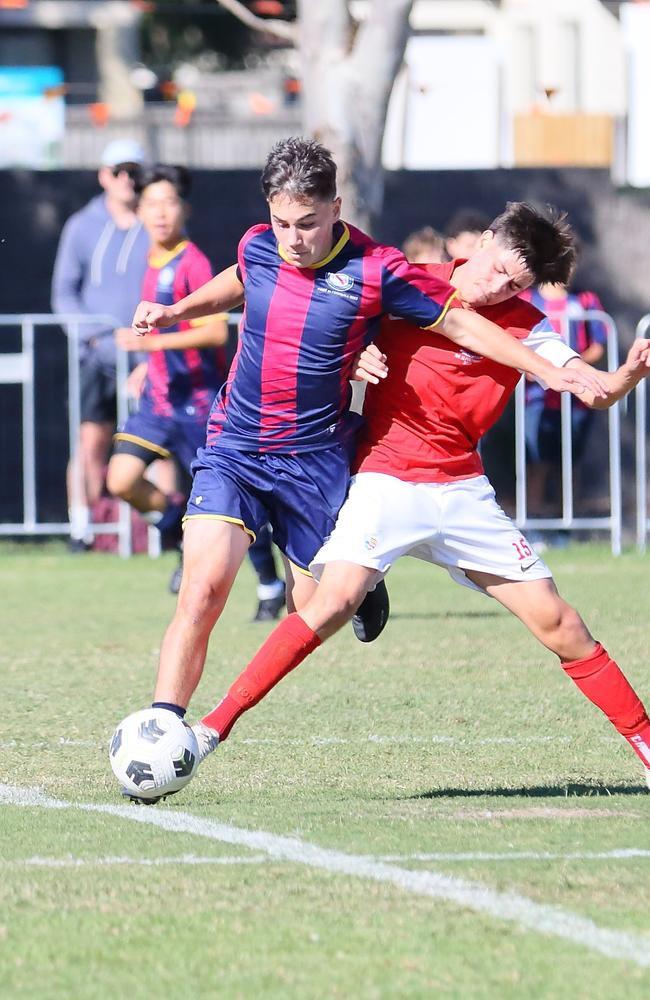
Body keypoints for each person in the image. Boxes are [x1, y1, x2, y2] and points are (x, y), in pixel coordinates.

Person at [126, 140, 601, 776]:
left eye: (307, 224)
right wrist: (176, 309)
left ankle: (364, 585)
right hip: (235, 446)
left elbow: (461, 324)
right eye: (281, 223)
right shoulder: (257, 244)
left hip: (316, 459)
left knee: (312, 605)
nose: (292, 239)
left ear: (336, 209)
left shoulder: (380, 269)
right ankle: (164, 728)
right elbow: (239, 282)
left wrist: (551, 369)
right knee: (204, 588)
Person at [190, 201, 650, 792]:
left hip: (461, 491)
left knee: (561, 624)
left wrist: (626, 377)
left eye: (515, 284)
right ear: (481, 241)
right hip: (386, 477)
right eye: (496, 270)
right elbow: (326, 331)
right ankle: (210, 730)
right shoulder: (406, 282)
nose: (497, 287)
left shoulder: (528, 325)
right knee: (329, 605)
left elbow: (592, 390)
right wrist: (355, 355)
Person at [106, 163, 285, 610]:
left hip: (199, 404)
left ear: (183, 208)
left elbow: (213, 332)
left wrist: (154, 343)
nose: (161, 213)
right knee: (120, 478)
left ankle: (269, 583)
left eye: (169, 203)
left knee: (233, 499)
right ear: (140, 211)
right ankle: (179, 534)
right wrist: (150, 366)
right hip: (159, 402)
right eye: (152, 204)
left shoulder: (193, 261)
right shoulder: (149, 261)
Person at [51, 138, 151, 552]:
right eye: (119, 171)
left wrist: (157, 346)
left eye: (135, 171)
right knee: (90, 441)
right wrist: (92, 335)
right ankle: (84, 530)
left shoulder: (160, 222)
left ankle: (159, 531)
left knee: (155, 447)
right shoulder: (81, 225)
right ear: (104, 176)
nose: (127, 179)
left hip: (148, 359)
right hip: (96, 357)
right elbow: (64, 292)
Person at [523, 281, 608, 530]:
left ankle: (565, 527)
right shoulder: (529, 300)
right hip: (538, 398)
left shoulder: (585, 301)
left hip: (575, 399)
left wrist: (568, 367)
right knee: (536, 461)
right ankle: (534, 526)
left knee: (569, 462)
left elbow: (597, 345)